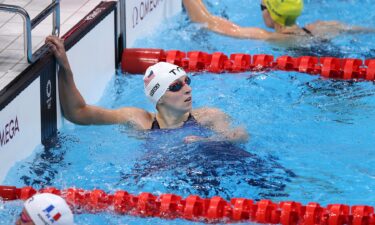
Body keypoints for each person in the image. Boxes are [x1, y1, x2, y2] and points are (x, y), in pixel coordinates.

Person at [45, 36, 248, 144]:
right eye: (176, 86)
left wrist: (206, 142)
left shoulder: (209, 117)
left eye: (187, 81)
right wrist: (65, 68)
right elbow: (78, 113)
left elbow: (239, 136)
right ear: (158, 98)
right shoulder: (139, 120)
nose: (187, 89)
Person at [182, 0, 374, 40]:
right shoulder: (324, 27)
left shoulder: (275, 38)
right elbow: (367, 30)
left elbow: (208, 22)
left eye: (262, 7)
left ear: (271, 13)